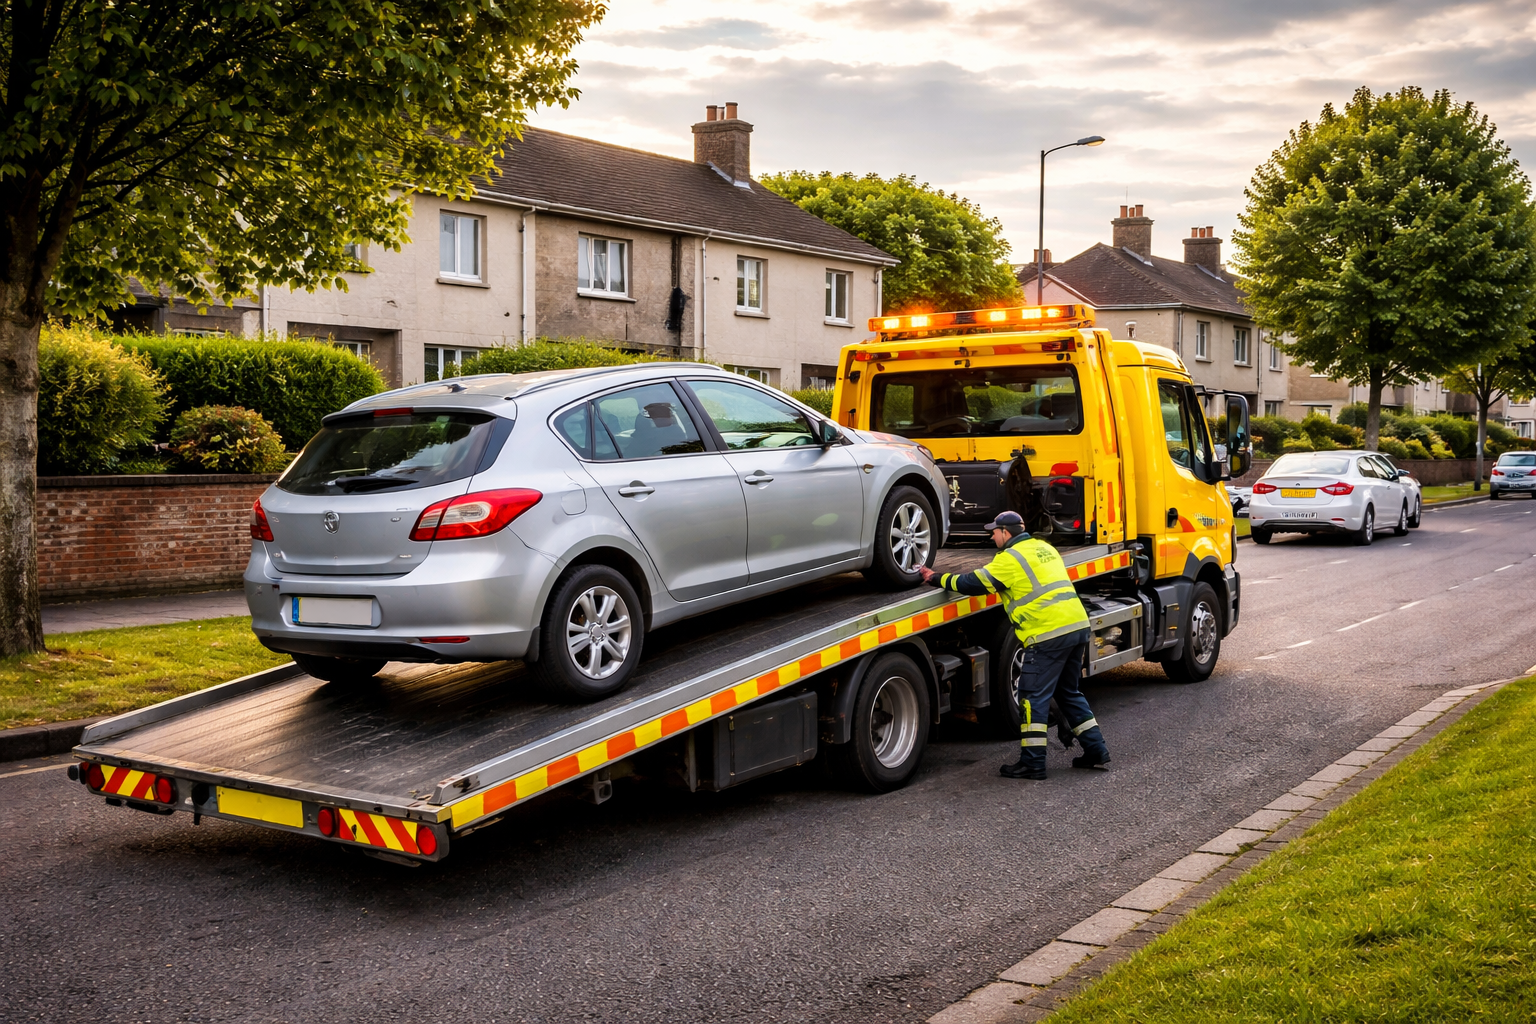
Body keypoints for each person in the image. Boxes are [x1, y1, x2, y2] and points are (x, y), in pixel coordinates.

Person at [918, 511, 1111, 780]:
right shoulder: (1044, 548)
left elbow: (973, 583)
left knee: (1031, 698)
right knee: (1069, 693)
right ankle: (1096, 751)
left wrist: (936, 577)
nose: (992, 536)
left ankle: (1033, 763)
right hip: (1076, 627)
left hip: (1047, 635)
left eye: (994, 532)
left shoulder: (1009, 558)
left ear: (1006, 533)